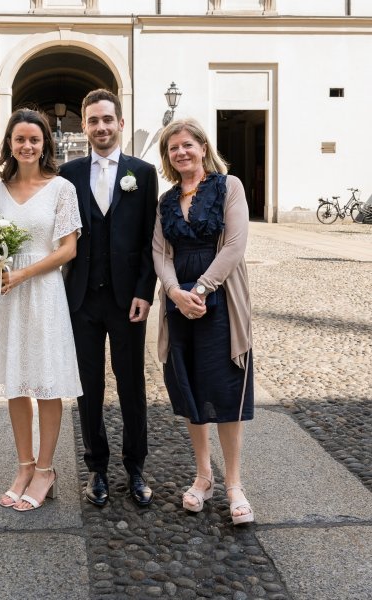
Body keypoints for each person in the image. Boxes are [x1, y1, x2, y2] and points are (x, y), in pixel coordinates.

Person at [0, 108, 82, 512]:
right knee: (17, 380)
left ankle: (46, 469)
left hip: (42, 292)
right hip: (6, 294)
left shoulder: (61, 189)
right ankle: (23, 466)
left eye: (34, 140)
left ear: (45, 145)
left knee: (46, 381)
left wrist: (23, 275)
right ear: (9, 144)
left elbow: (69, 249)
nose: (27, 145)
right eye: (19, 139)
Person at [152, 118, 255, 525]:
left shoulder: (229, 187)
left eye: (187, 145)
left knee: (226, 390)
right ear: (168, 157)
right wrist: (175, 292)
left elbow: (234, 244)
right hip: (180, 302)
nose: (181, 152)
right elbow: (160, 251)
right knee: (191, 387)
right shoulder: (165, 200)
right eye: (173, 148)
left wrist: (203, 288)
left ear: (202, 146)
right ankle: (203, 476)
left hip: (221, 296)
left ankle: (234, 485)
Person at [59, 89, 158, 508]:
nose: (101, 127)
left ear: (120, 123)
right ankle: (97, 467)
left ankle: (135, 467)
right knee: (89, 387)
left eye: (107, 119)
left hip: (126, 301)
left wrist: (144, 293)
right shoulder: (69, 174)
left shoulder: (143, 172)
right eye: (93, 120)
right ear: (84, 126)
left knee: (132, 384)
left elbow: (152, 238)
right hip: (81, 299)